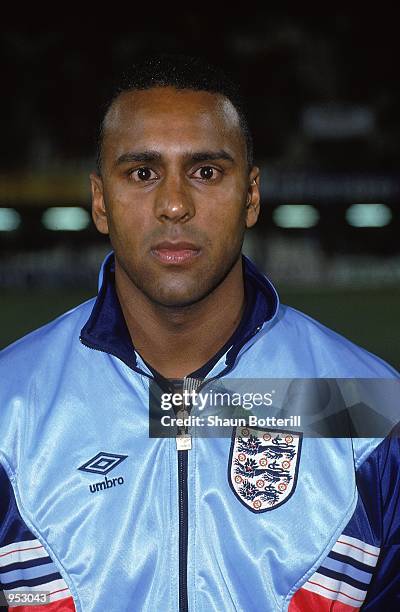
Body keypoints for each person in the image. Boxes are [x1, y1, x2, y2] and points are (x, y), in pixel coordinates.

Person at [0, 55, 399, 612]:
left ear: (252, 195)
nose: (174, 205)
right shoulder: (10, 407)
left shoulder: (369, 405)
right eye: (142, 173)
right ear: (99, 202)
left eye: (206, 172)